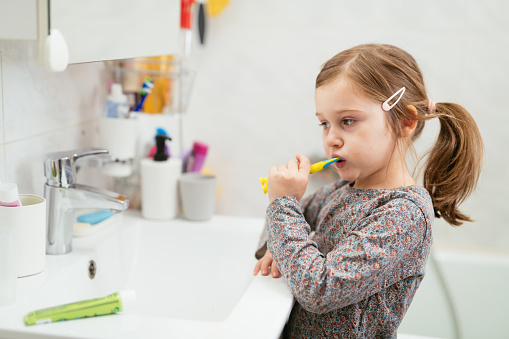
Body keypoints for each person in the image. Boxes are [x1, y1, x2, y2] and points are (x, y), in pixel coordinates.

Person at [253, 43, 483, 338]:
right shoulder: (339, 191)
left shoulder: (404, 214)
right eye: (324, 123)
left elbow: (319, 289)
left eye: (347, 121)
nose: (331, 139)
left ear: (406, 121)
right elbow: (271, 233)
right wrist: (281, 239)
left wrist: (284, 204)